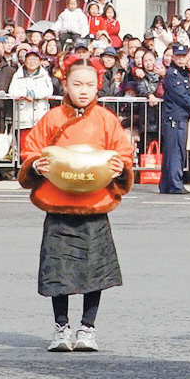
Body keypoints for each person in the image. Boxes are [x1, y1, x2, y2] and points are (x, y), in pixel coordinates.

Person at [18, 62, 135, 353]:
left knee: (94, 271)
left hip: (94, 206)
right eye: (77, 84)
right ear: (66, 86)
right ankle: (61, 328)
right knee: (58, 272)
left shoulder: (106, 120)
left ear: (98, 86)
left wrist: (121, 167)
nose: (83, 91)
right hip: (59, 206)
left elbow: (123, 153)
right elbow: (31, 149)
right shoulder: (52, 118)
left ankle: (87, 327)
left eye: (89, 85)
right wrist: (35, 165)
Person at [158, 46, 190, 193]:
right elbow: (180, 95)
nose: (181, 59)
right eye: (178, 56)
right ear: (173, 57)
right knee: (175, 151)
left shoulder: (183, 73)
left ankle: (167, 184)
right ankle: (175, 184)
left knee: (174, 150)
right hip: (174, 117)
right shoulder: (172, 74)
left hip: (180, 116)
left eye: (183, 56)